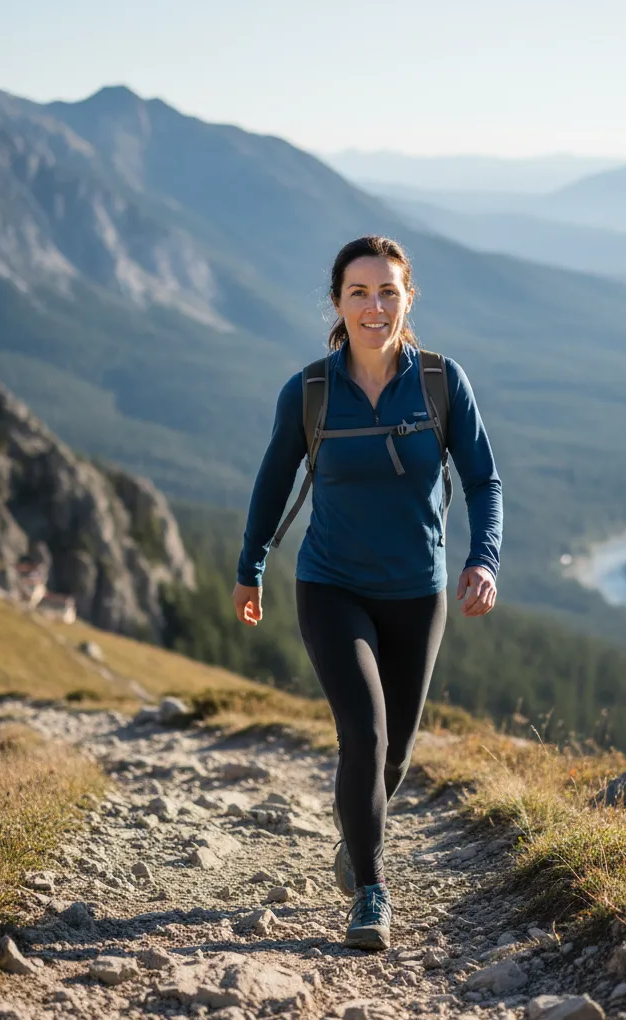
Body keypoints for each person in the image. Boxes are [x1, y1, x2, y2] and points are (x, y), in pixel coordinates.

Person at [233, 235, 502, 951]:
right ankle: (372, 891)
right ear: (337, 302)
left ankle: (355, 835)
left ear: (407, 299)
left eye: (388, 291)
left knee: (395, 753)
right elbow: (273, 482)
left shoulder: (443, 383)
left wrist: (485, 559)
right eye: (359, 292)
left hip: (419, 592)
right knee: (365, 730)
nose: (374, 306)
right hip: (331, 586)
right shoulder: (311, 392)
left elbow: (483, 480)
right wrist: (251, 564)